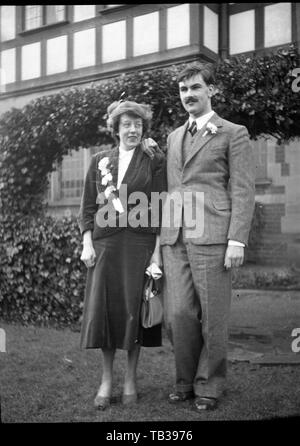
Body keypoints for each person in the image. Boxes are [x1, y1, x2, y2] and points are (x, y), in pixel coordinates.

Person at [159, 62, 256, 411]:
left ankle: (209, 385)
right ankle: (184, 380)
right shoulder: (172, 138)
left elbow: (244, 190)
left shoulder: (233, 132)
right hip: (175, 238)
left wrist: (237, 240)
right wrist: (160, 241)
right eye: (184, 90)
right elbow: (171, 188)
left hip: (214, 235)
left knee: (213, 316)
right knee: (178, 314)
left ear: (211, 91)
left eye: (196, 88)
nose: (189, 95)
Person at [77, 100, 166, 410]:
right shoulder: (100, 160)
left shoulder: (153, 159)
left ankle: (130, 378)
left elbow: (158, 208)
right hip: (105, 247)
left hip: (139, 246)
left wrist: (157, 254)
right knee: (107, 311)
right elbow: (88, 207)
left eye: (137, 124)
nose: (132, 129)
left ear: (143, 129)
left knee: (133, 312)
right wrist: (87, 243)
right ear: (115, 129)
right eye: (126, 124)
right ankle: (106, 379)